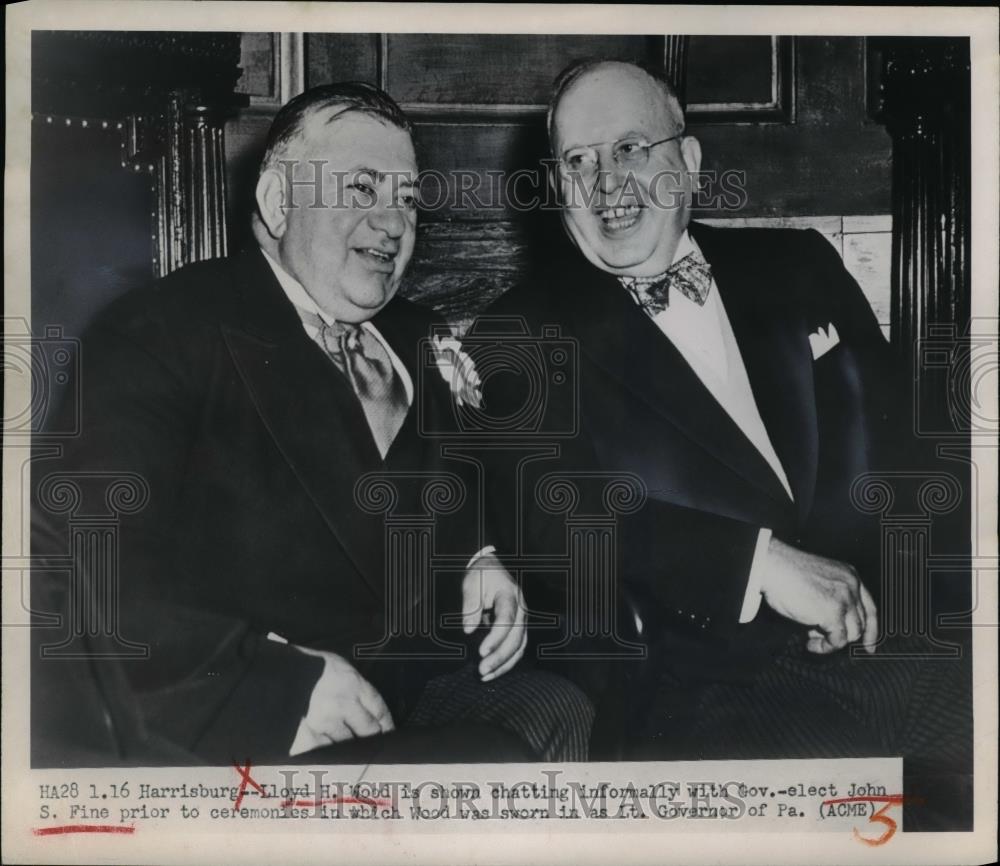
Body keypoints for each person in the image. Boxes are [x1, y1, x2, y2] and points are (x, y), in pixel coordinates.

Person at [30, 82, 592, 767]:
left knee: (557, 710)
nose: (393, 223)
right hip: (252, 718)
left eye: (408, 199)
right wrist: (279, 687)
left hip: (411, 684)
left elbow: (459, 486)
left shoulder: (418, 335)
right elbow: (80, 573)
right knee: (490, 759)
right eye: (361, 189)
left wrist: (475, 558)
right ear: (277, 201)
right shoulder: (161, 332)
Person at [478, 60, 970, 801]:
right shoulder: (515, 333)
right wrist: (759, 568)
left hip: (895, 643)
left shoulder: (797, 262)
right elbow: (552, 517)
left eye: (631, 148)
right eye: (578, 161)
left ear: (691, 161)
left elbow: (909, 451)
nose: (606, 183)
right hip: (708, 691)